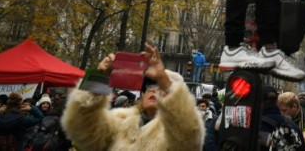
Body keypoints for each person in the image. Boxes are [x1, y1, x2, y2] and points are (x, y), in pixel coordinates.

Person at [61, 43, 205, 150]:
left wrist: (163, 78)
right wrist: (99, 77)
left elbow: (189, 136)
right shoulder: (120, 121)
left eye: (163, 87)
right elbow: (81, 128)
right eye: (151, 85)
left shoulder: (172, 133)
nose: (155, 90)